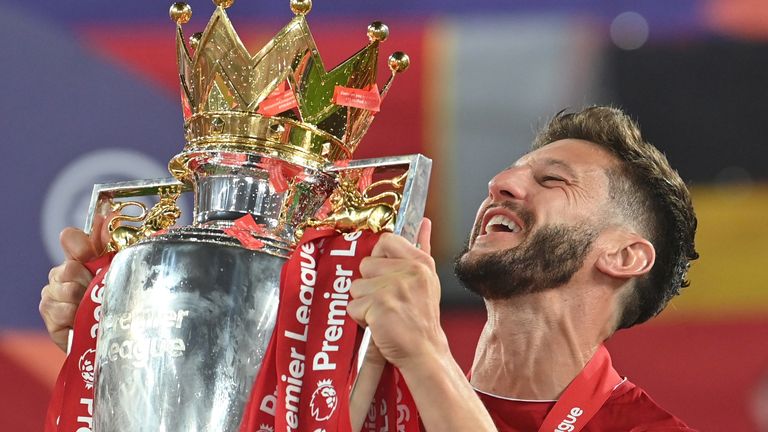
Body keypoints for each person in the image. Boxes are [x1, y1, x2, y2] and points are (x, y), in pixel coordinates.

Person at [41, 106, 699, 431]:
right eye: (509, 172)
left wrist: (424, 353)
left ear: (623, 256)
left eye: (551, 180)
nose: (499, 183)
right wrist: (125, 334)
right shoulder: (372, 384)